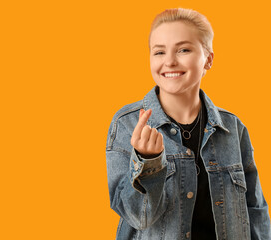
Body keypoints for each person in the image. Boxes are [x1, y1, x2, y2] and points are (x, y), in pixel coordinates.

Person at [106, 8, 271, 240]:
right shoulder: (127, 124)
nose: (170, 61)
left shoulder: (233, 128)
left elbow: (255, 210)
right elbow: (136, 218)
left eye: (183, 49)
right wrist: (148, 162)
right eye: (159, 52)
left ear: (208, 59)